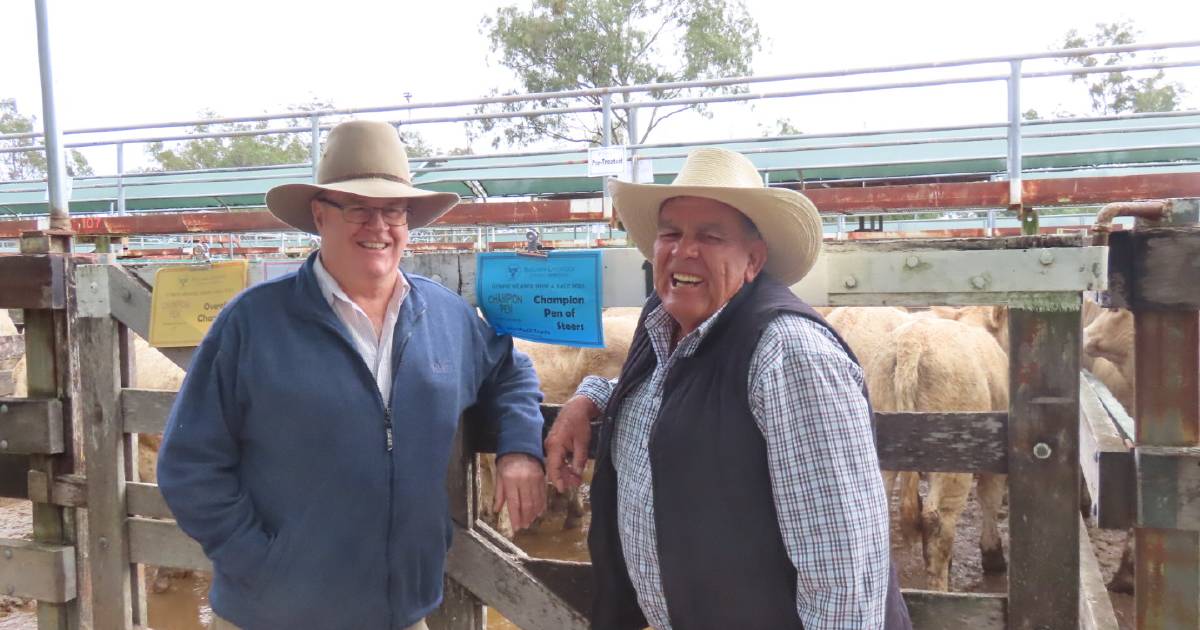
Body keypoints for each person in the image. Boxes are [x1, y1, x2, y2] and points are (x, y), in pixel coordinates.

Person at [157, 120, 547, 630]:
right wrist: (260, 563)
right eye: (358, 208)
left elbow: (509, 370)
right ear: (320, 215)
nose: (378, 226)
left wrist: (519, 447)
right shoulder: (252, 323)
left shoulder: (446, 315)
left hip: (401, 612)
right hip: (275, 616)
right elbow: (188, 464)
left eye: (394, 210)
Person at [544, 148, 912, 629]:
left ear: (754, 260)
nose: (683, 250)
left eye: (711, 236)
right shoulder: (665, 322)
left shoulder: (790, 353)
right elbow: (671, 393)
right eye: (671, 232)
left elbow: (843, 566)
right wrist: (589, 397)